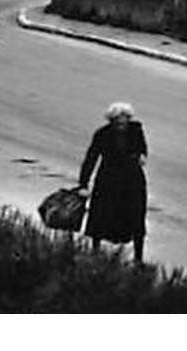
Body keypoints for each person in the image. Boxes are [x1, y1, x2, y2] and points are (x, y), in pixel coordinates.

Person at [78, 101, 149, 263]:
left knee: (136, 216)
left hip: (133, 181)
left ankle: (139, 258)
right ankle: (95, 251)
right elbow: (91, 159)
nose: (122, 121)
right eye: (118, 118)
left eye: (125, 118)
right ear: (111, 120)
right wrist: (83, 184)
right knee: (100, 215)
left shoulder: (136, 130)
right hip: (108, 180)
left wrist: (142, 155)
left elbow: (142, 148)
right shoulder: (102, 134)